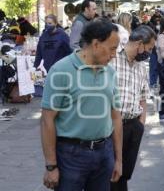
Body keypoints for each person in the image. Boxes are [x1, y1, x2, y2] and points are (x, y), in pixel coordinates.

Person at [41, 19, 123, 191]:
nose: (114, 54)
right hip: (70, 156)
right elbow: (47, 120)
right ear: (95, 44)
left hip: (104, 153)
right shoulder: (61, 71)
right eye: (112, 48)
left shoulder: (110, 72)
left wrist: (118, 160)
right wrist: (51, 166)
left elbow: (116, 117)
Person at [110, 25, 156, 191]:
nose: (149, 53)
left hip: (133, 126)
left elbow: (143, 97)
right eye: (149, 48)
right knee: (111, 173)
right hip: (111, 126)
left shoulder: (141, 67)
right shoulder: (112, 58)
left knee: (125, 173)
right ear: (139, 44)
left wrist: (141, 124)